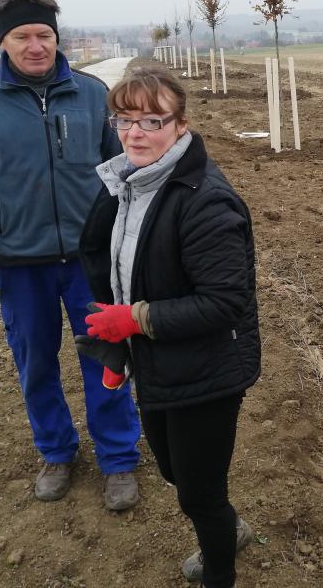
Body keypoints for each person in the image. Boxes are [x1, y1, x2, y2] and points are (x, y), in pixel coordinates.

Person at [0, 0, 141, 509]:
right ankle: (56, 451)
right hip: (19, 262)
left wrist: (129, 245)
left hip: (90, 263)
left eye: (44, 34)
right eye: (22, 35)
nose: (35, 45)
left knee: (109, 358)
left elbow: (125, 174)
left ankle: (118, 460)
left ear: (57, 36)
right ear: (3, 42)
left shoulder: (94, 94)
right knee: (36, 365)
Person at [78, 65, 261, 587]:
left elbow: (225, 302)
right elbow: (115, 265)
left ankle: (219, 569)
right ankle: (227, 525)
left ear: (181, 125)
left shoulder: (205, 200)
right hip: (158, 359)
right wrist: (118, 349)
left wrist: (131, 320)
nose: (135, 133)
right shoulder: (129, 183)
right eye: (123, 119)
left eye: (151, 121)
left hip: (206, 367)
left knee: (198, 494)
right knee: (173, 471)